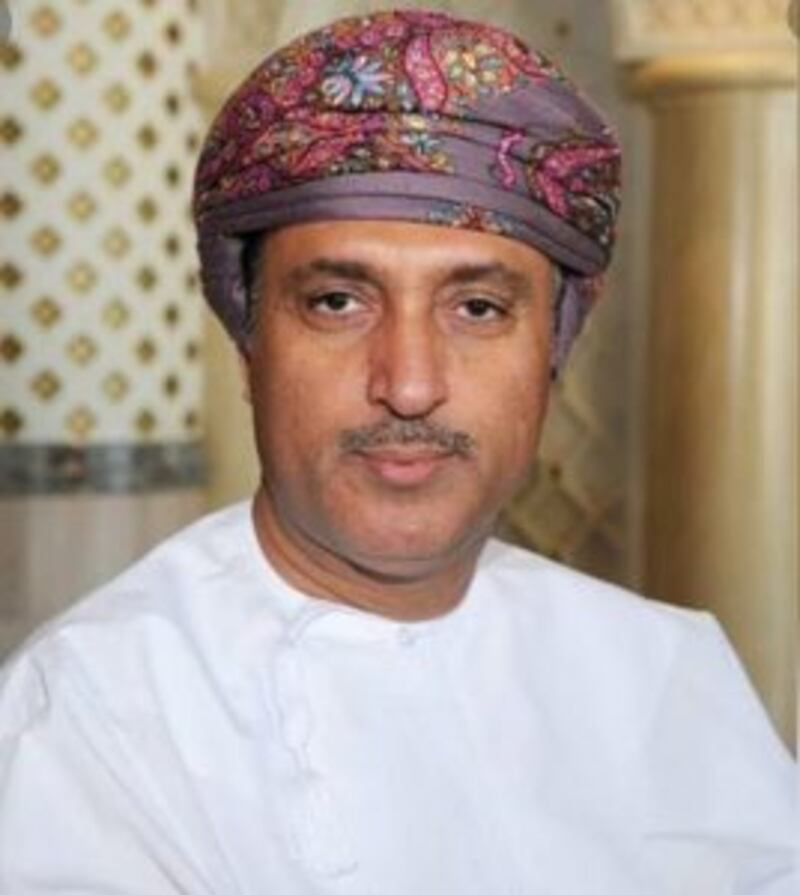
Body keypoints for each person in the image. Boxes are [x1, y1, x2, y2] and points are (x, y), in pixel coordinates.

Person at [0, 10, 795, 894]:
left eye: (478, 309)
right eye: (338, 302)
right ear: (249, 346)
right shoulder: (88, 722)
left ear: (552, 353)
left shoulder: (662, 670)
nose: (410, 384)